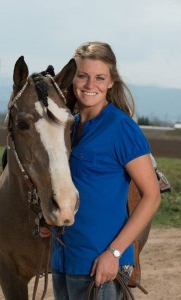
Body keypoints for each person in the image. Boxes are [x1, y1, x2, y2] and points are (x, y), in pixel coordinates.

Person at [51, 41, 161, 300]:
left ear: (111, 82)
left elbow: (152, 195)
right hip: (63, 261)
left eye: (100, 77)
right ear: (72, 78)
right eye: (83, 76)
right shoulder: (68, 128)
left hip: (99, 266)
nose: (90, 85)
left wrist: (114, 254)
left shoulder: (121, 128)